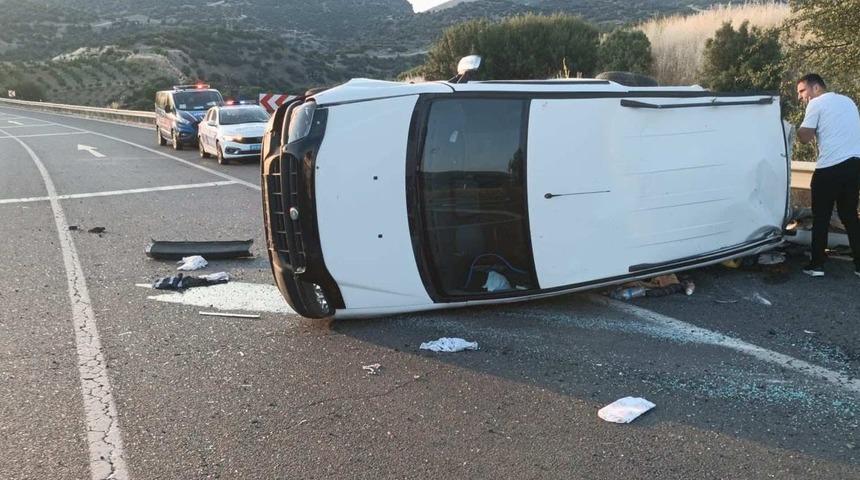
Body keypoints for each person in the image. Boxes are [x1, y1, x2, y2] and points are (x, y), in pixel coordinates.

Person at [796, 73, 860, 277]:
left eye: (802, 91)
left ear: (816, 88)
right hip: (855, 166)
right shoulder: (847, 101)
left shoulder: (816, 103)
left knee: (821, 216)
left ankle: (816, 265)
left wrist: (792, 130)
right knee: (850, 216)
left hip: (830, 168)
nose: (800, 97)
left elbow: (805, 138)